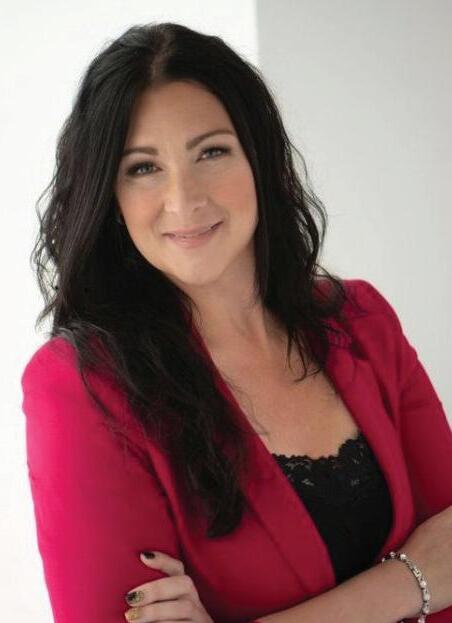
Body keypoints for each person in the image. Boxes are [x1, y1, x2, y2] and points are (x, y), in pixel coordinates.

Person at [20, 21, 452, 623]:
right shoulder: (81, 385)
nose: (184, 199)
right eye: (142, 167)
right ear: (109, 196)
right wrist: (409, 583)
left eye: (211, 152)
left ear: (259, 158)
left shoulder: (361, 320)